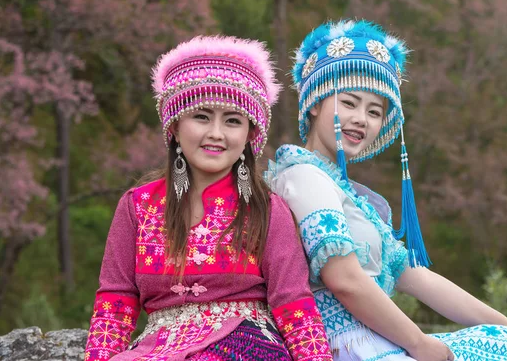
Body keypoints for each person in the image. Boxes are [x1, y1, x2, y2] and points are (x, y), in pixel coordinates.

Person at [265, 19, 507, 361]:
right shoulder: (304, 176)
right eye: (349, 103)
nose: (362, 119)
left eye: (374, 111)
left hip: (378, 339)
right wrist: (420, 345)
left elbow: (418, 279)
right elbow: (345, 280)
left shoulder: (343, 191)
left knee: (506, 344)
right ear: (316, 102)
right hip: (345, 345)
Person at [84, 36, 333, 361]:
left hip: (247, 345)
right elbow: (115, 302)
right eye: (201, 116)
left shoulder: (266, 210)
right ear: (174, 124)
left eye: (232, 120)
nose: (216, 132)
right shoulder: (138, 206)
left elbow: (294, 303)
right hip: (158, 349)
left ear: (249, 134)